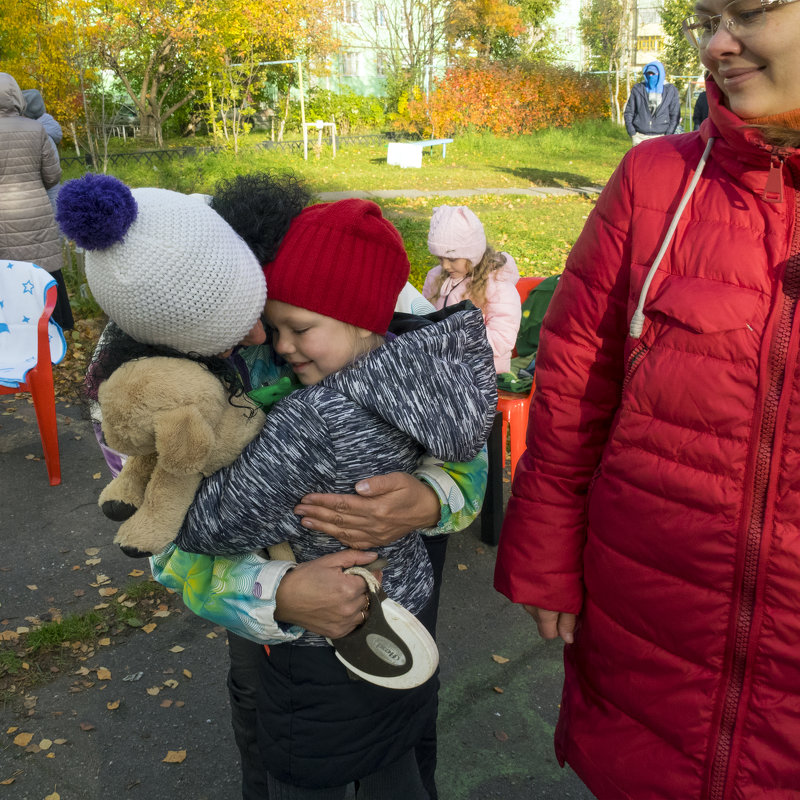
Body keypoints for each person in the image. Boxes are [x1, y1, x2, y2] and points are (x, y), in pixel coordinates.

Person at [78, 172, 489, 800]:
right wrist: (271, 593)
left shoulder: (358, 283)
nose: (262, 341)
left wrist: (435, 497)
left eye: (260, 312)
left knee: (402, 751)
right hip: (279, 642)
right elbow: (165, 535)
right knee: (282, 759)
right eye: (228, 332)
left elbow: (464, 435)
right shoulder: (133, 392)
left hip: (402, 606)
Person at [494, 4, 800, 798]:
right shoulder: (657, 178)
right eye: (706, 19)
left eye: (751, 10)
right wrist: (546, 553)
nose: (718, 43)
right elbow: (575, 382)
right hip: (648, 644)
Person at [0, 73, 72, 330]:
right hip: (36, 212)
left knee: (7, 275)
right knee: (42, 269)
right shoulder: (36, 129)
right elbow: (53, 176)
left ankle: (14, 333)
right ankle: (53, 327)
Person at [422, 205, 521, 374]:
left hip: (481, 374)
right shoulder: (435, 277)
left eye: (452, 259)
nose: (445, 265)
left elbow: (502, 339)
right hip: (441, 364)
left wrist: (455, 341)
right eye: (440, 258)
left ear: (472, 254)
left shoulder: (498, 286)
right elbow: (424, 314)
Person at [21, 89, 63, 212]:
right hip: (51, 196)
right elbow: (53, 173)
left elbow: (51, 176)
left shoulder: (37, 135)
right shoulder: (47, 130)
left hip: (37, 198)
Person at [623, 60, 681, 146]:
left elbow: (675, 114)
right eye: (648, 74)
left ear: (660, 74)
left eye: (653, 74)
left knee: (659, 159)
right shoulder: (638, 89)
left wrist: (669, 134)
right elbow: (629, 112)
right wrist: (632, 133)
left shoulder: (670, 91)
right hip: (640, 136)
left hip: (662, 136)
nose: (650, 76)